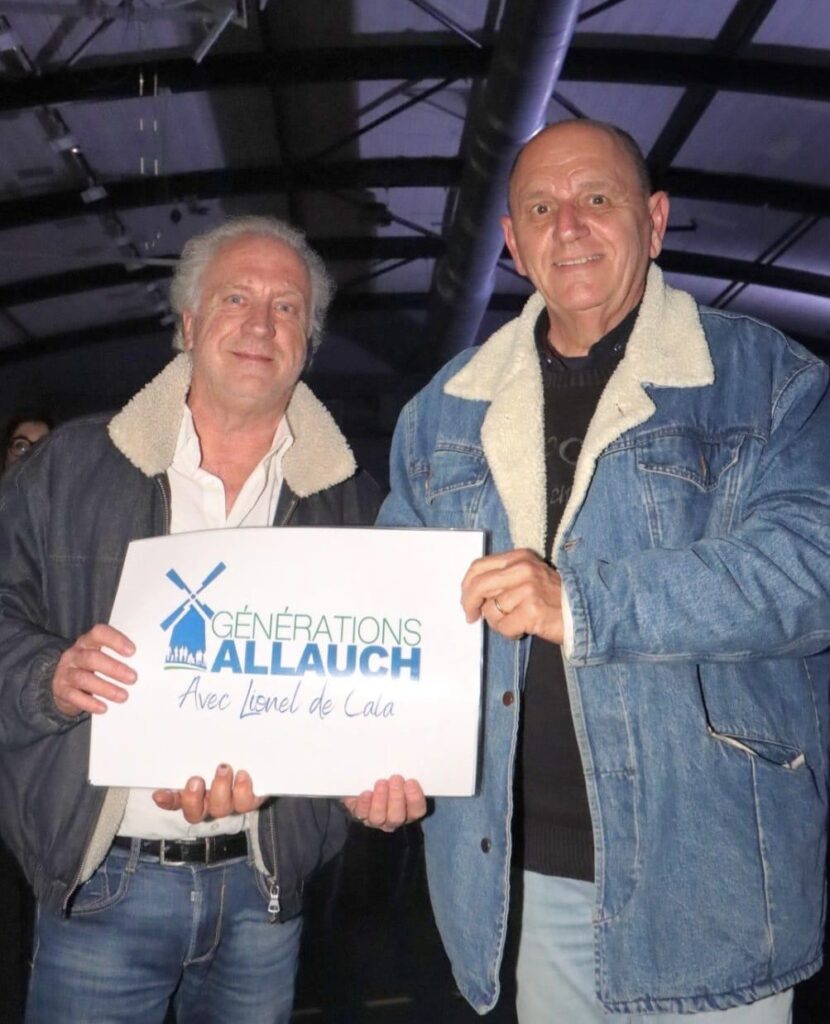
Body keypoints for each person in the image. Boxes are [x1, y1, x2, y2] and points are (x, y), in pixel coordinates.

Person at [378, 119, 830, 1021]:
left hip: (708, 878)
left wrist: (581, 604)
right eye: (541, 209)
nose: (570, 227)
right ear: (512, 243)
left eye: (597, 199)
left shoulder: (768, 379)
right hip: (523, 879)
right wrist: (377, 751)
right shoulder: (441, 412)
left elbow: (811, 570)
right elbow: (398, 615)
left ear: (654, 222)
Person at [0, 215, 425, 1023]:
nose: (262, 324)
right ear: (188, 323)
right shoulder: (71, 468)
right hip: (102, 887)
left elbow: (382, 687)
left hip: (265, 896)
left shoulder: (357, 507)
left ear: (308, 341)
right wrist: (46, 677)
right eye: (236, 298)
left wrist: (377, 777)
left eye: (287, 307)